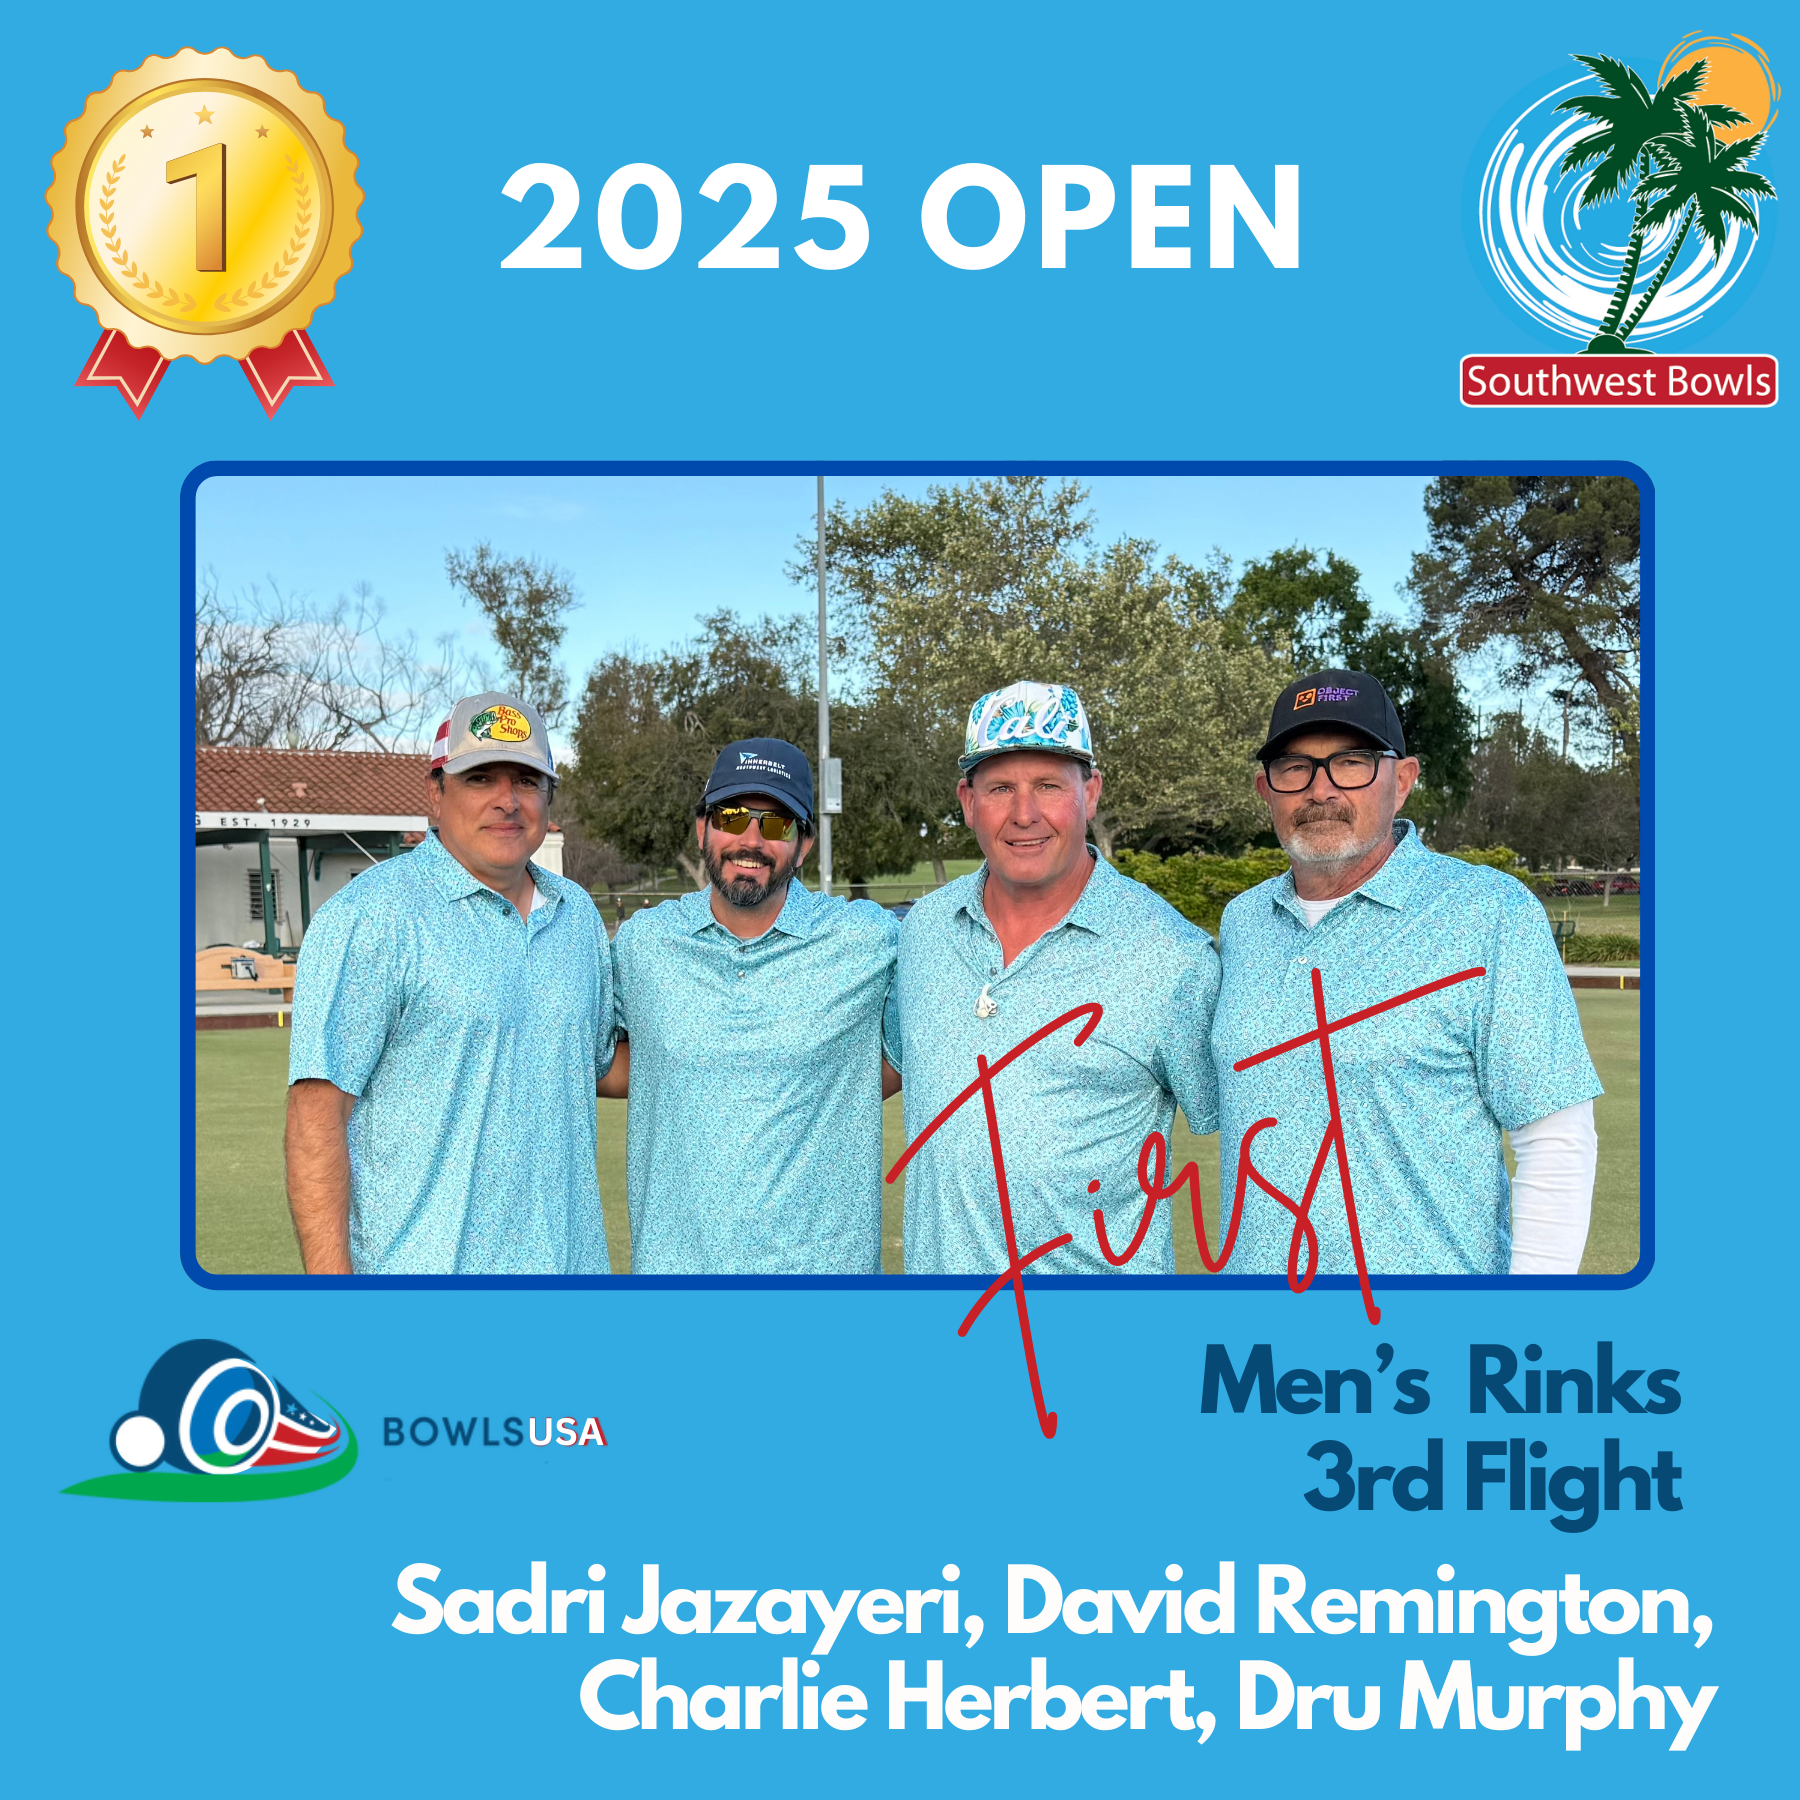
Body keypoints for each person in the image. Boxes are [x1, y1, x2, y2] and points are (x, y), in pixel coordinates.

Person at [1211, 670, 1602, 1278]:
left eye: (1352, 763)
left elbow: (1554, 1140)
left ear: (1405, 780)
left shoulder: (1488, 912)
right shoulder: (1243, 923)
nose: (1321, 790)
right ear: (1266, 789)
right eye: (1295, 768)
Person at [896, 681, 1220, 1276]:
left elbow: (1267, 1127)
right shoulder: (924, 931)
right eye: (1000, 788)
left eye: (1049, 785)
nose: (1025, 814)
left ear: (1090, 793)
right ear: (968, 801)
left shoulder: (1173, 956)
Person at [285, 693, 615, 1275]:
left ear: (548, 798)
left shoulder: (577, 916)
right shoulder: (374, 916)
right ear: (436, 793)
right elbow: (316, 1114)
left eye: (528, 780)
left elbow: (601, 1065)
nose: (507, 801)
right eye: (480, 777)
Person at [607, 738, 900, 1274]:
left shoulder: (868, 940)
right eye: (732, 816)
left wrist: (824, 1081)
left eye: (776, 823)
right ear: (702, 829)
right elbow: (603, 1062)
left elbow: (913, 1051)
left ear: (804, 844)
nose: (751, 839)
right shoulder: (642, 945)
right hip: (678, 1282)